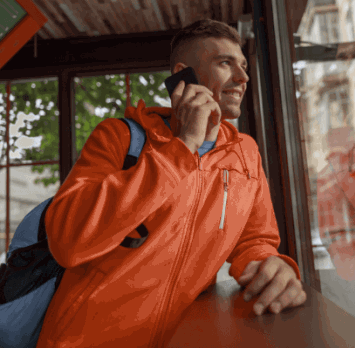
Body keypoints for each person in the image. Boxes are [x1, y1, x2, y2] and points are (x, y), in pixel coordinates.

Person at [36, 19, 306, 348]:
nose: (243, 77)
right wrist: (181, 148)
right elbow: (68, 241)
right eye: (225, 63)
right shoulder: (119, 136)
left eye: (244, 66)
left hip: (181, 339)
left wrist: (271, 267)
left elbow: (255, 240)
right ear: (183, 75)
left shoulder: (245, 153)